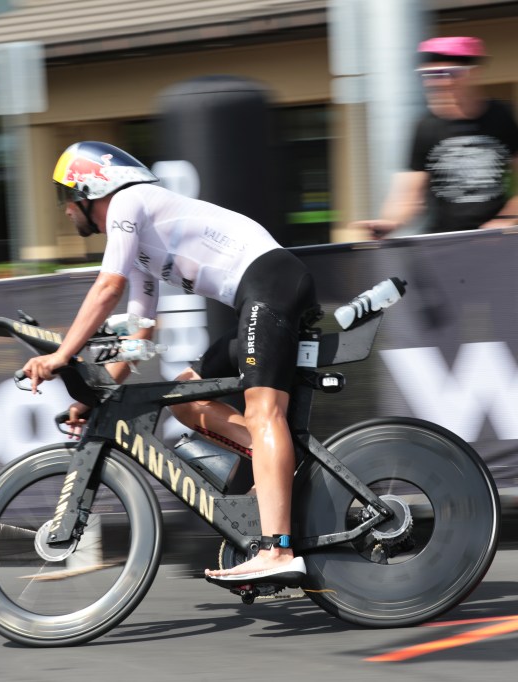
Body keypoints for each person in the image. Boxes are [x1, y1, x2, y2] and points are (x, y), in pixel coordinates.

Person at [22, 141, 317, 585]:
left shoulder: (128, 201)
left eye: (67, 196)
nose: (66, 210)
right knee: (185, 396)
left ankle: (278, 551)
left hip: (271, 284)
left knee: (263, 412)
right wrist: (101, 392)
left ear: (89, 190)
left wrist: (63, 355)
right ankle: (273, 465)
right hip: (259, 295)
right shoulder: (143, 241)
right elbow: (142, 330)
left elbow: (107, 288)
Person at [355, 36, 518, 239]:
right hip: (445, 244)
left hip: (501, 243)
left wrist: (507, 220)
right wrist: (391, 223)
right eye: (430, 75)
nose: (441, 82)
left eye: (451, 73)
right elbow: (409, 196)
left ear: (474, 73)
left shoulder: (503, 115)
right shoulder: (425, 126)